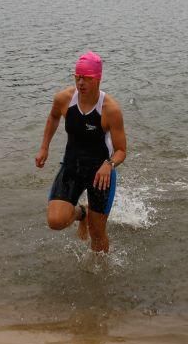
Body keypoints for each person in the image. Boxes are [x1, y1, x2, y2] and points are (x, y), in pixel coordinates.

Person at [35, 51, 127, 253]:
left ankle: (99, 270)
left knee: (97, 234)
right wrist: (44, 147)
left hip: (100, 173)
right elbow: (53, 117)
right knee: (55, 221)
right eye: (77, 77)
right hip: (72, 165)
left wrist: (109, 164)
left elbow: (121, 150)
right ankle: (82, 214)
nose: (81, 83)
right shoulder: (64, 99)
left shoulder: (110, 109)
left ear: (98, 79)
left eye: (86, 78)